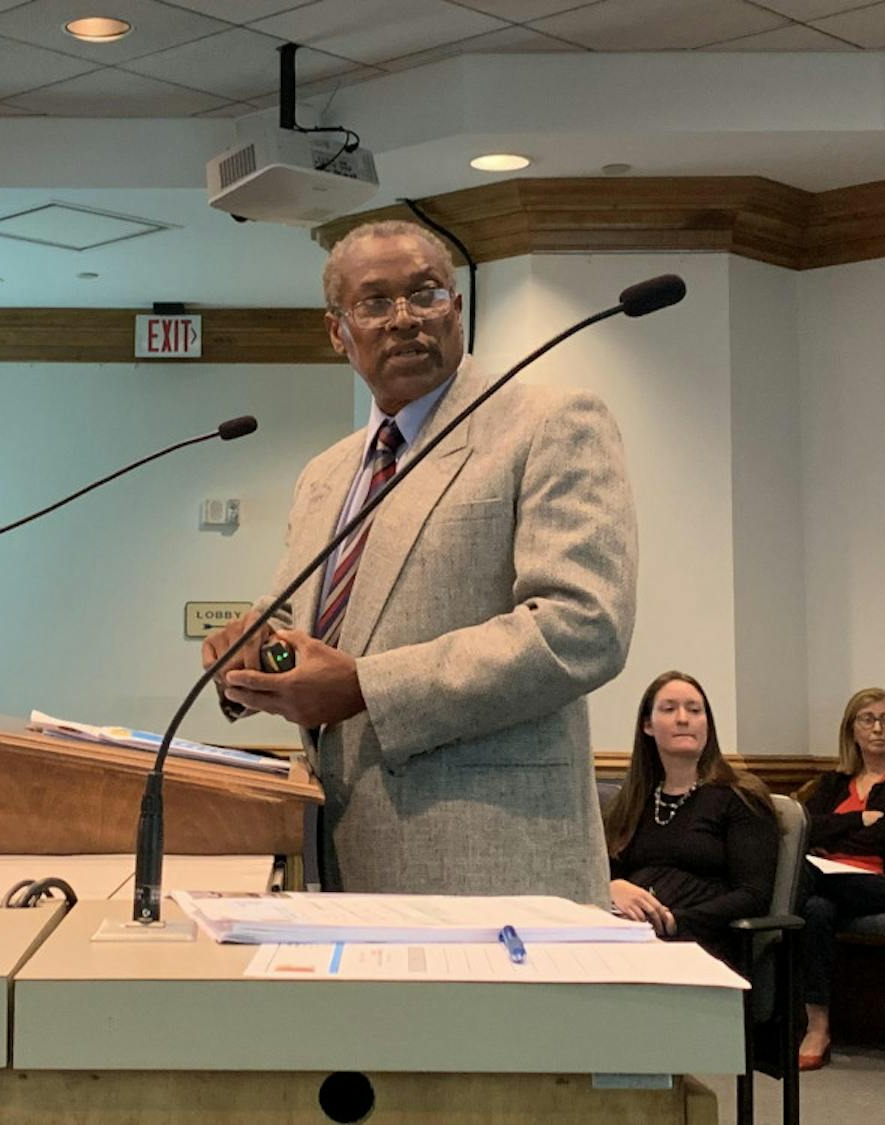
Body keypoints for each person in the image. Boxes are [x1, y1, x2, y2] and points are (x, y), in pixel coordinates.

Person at [203, 219, 638, 904]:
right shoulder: (327, 472)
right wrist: (253, 648)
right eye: (375, 303)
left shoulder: (547, 422)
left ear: (457, 309)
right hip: (339, 860)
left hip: (496, 871)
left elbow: (582, 627)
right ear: (337, 331)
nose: (404, 319)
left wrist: (367, 688)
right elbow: (304, 621)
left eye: (426, 294)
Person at [797, 687, 885, 1070]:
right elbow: (806, 829)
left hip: (884, 883)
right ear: (852, 730)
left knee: (802, 880)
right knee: (815, 909)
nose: (877, 728)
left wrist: (834, 835)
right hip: (828, 883)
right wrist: (856, 819)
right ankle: (818, 1026)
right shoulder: (831, 784)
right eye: (867, 719)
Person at [603, 671, 778, 966]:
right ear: (647, 725)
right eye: (669, 709)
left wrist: (673, 920)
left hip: (704, 940)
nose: (683, 718)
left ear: (707, 724)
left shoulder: (740, 797)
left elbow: (753, 895)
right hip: (631, 935)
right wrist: (612, 887)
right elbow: (607, 868)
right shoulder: (632, 801)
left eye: (694, 710)